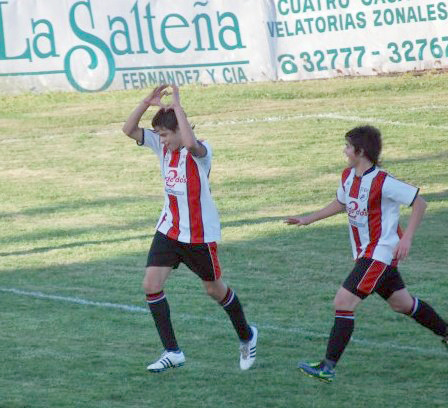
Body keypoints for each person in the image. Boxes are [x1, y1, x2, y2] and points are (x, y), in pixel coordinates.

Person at [285, 125, 447, 383]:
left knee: (343, 303)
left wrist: (406, 238)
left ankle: (328, 367)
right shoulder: (348, 176)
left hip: (379, 254)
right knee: (402, 304)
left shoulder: (384, 181)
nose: (344, 150)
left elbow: (420, 202)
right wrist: (308, 219)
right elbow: (341, 202)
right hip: (365, 254)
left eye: (348, 146)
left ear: (360, 151)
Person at [122, 85, 257, 372]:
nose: (160, 140)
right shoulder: (162, 147)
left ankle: (247, 335)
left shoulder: (200, 151)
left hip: (199, 236)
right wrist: (147, 102)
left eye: (165, 134)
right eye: (158, 135)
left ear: (180, 132)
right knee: (150, 285)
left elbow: (192, 144)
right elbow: (128, 129)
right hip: (169, 230)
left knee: (214, 289)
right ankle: (173, 351)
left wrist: (179, 108)